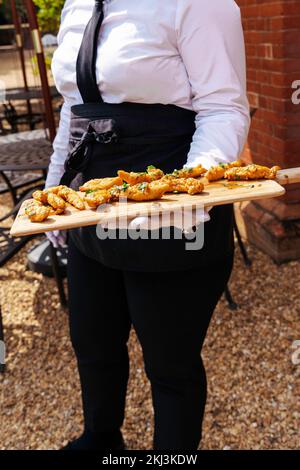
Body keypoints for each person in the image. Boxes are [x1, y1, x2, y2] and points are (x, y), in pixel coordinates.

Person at [46, 0, 250, 450]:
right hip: (90, 207)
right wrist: (54, 186)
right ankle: (100, 440)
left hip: (171, 206)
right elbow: (74, 109)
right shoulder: (75, 6)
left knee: (169, 363)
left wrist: (183, 200)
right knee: (92, 343)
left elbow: (224, 109)